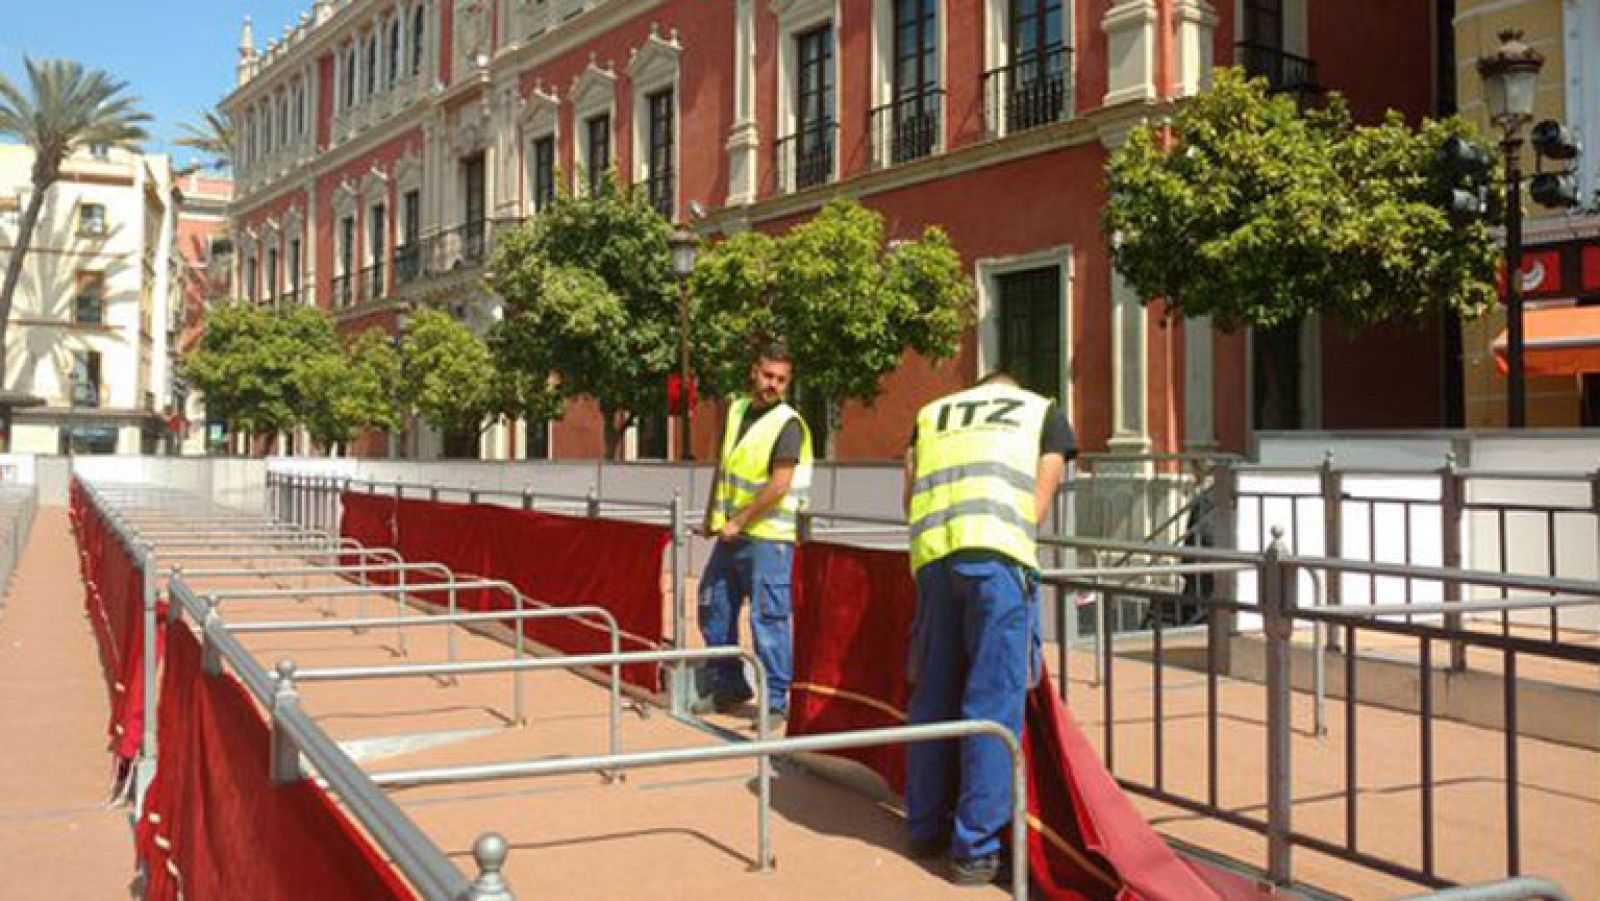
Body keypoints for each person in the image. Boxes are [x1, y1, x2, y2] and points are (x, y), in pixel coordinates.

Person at [901, 371, 1076, 885]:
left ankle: (924, 826)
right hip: (998, 560)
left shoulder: (932, 414)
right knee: (993, 700)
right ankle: (974, 849)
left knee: (932, 694)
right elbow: (1043, 493)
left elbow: (909, 494)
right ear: (1013, 386)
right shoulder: (1039, 411)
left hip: (934, 562)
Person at [698, 341, 814, 720]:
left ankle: (777, 701)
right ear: (754, 372)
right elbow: (725, 465)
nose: (773, 385)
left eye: (781, 379)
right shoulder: (736, 410)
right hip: (734, 533)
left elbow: (779, 485)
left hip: (769, 539)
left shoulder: (789, 424)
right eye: (768, 376)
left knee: (768, 619)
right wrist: (711, 517)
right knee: (713, 605)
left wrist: (739, 521)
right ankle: (729, 686)